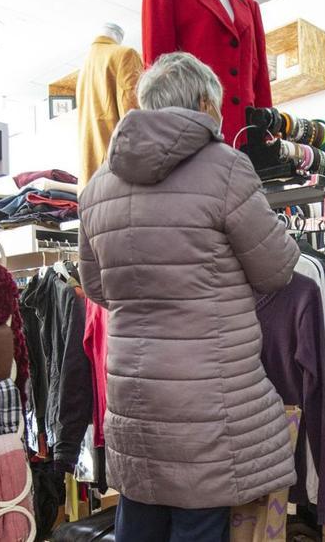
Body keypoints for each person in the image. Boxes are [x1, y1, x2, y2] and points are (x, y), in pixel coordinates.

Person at [77, 52, 299, 542]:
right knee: (198, 525)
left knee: (138, 523)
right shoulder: (225, 169)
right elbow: (277, 268)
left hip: (134, 401)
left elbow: (96, 288)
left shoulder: (97, 188)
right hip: (206, 406)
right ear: (203, 103)